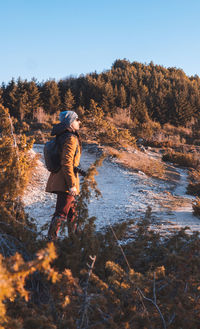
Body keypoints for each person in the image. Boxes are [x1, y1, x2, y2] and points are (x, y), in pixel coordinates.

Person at [46, 110, 81, 241]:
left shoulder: (62, 135)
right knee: (61, 213)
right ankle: (50, 244)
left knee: (72, 213)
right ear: (71, 122)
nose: (79, 122)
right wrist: (72, 184)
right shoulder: (71, 138)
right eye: (77, 119)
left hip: (62, 179)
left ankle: (75, 241)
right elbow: (66, 163)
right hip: (65, 182)